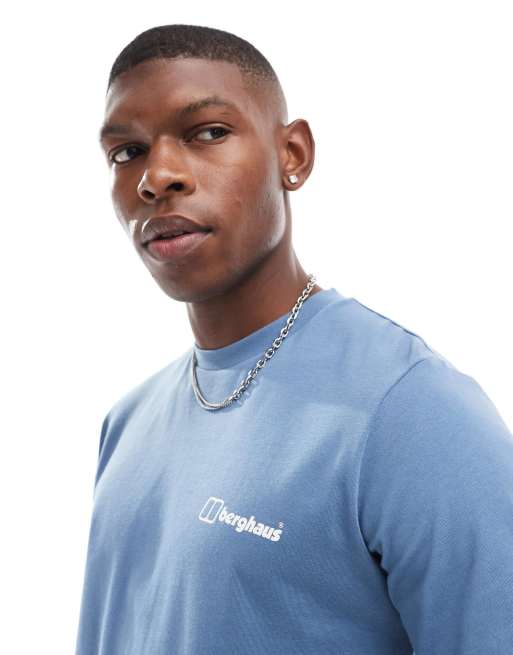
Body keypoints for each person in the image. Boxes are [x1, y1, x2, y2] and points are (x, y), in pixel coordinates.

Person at [75, 23, 513, 655]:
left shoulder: (410, 409)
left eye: (208, 132)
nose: (157, 176)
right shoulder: (126, 422)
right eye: (127, 152)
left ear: (294, 155)